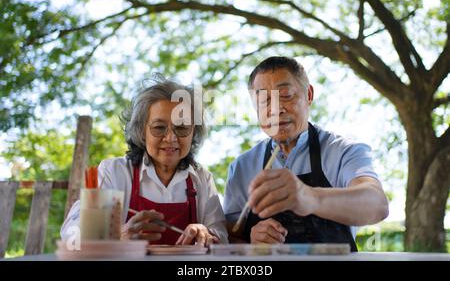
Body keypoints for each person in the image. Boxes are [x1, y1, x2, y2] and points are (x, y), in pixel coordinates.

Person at [224, 56, 389, 251]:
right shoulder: (242, 166)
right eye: (264, 101)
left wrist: (309, 197)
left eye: (285, 95)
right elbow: (230, 235)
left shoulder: (344, 151)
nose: (275, 109)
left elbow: (377, 205)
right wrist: (251, 240)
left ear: (308, 95)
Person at [61, 76, 227, 246]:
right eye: (159, 128)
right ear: (141, 131)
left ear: (194, 133)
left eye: (182, 128)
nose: (170, 138)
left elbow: (222, 238)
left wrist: (207, 235)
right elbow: (71, 235)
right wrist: (116, 237)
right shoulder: (115, 172)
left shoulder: (202, 179)